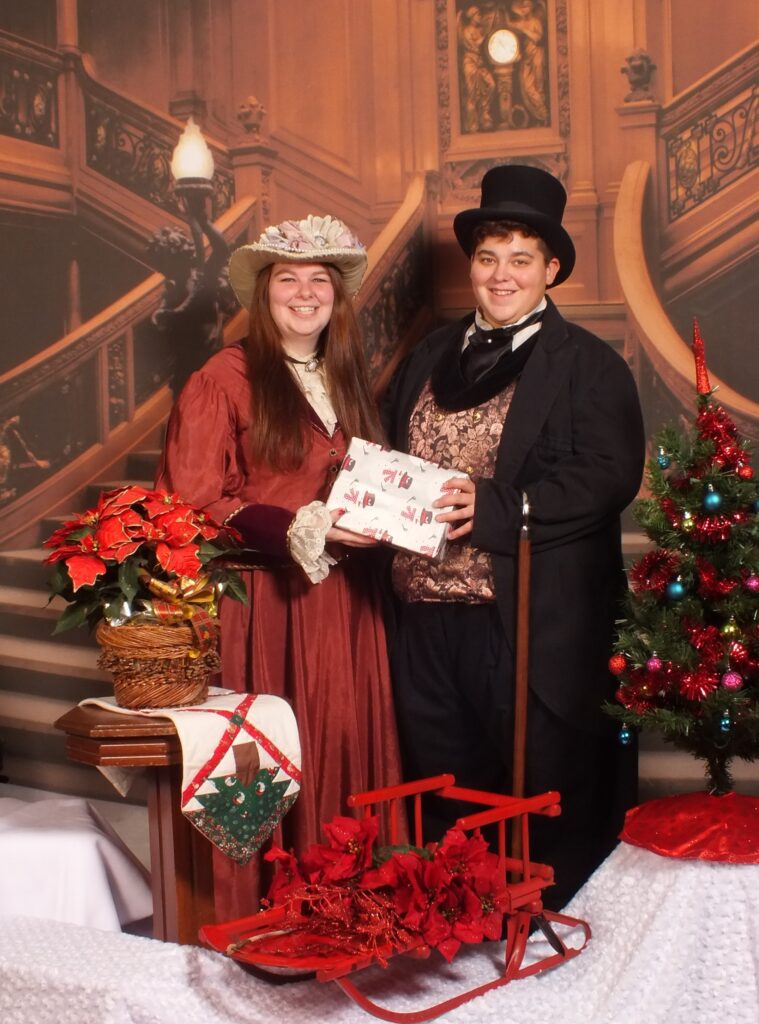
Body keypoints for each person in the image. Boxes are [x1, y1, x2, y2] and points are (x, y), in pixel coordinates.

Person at [382, 165, 645, 911]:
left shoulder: (590, 366)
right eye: (488, 256)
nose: (501, 275)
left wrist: (500, 507)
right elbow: (391, 455)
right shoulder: (428, 355)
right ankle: (455, 929)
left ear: (551, 269)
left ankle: (541, 931)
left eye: (520, 259)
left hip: (526, 620)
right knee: (442, 780)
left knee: (531, 789)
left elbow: (606, 476)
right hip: (423, 616)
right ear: (471, 264)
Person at [155, 214, 404, 920]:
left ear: (336, 296)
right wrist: (296, 528)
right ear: (263, 296)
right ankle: (277, 911)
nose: (304, 294)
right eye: (287, 280)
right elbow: (193, 502)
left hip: (350, 607)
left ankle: (350, 900)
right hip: (271, 607)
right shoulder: (222, 377)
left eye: (318, 281)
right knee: (284, 752)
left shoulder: (347, 378)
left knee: (347, 742)